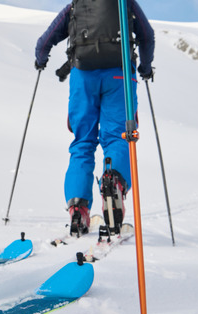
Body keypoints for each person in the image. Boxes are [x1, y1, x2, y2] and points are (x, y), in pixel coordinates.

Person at [35, 0, 154, 236]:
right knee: (119, 136)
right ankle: (114, 184)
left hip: (83, 76)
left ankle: (78, 208)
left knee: (83, 142)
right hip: (120, 74)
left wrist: (41, 59)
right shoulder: (124, 3)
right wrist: (146, 67)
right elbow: (147, 36)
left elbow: (44, 42)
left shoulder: (76, 5)